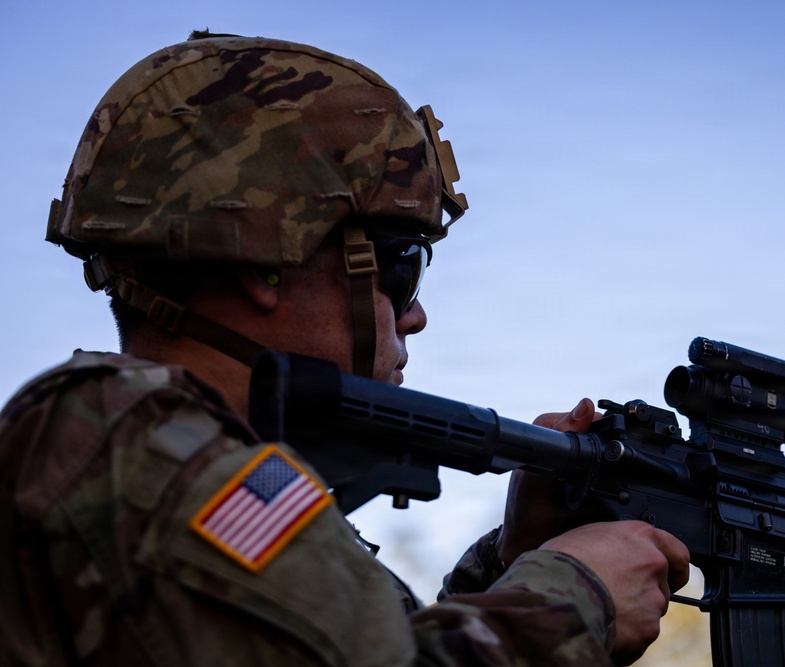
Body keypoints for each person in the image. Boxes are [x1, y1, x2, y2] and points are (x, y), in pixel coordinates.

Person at [0, 32, 689, 666]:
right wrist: (576, 601)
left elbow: (365, 645)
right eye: (401, 265)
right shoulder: (121, 438)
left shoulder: (194, 468)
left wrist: (515, 560)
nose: (415, 315)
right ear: (263, 262)